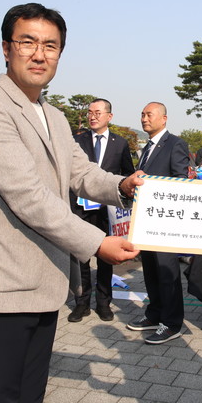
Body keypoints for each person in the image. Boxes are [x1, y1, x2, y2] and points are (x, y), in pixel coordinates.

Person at [0, 3, 142, 403]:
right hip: (2, 285)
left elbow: (81, 173)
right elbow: (29, 196)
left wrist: (124, 185)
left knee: (30, 392)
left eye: (50, 46)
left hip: (44, 280)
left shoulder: (53, 116)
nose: (39, 54)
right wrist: (97, 243)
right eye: (28, 42)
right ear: (6, 48)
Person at [126, 102, 190, 344]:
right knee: (151, 271)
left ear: (164, 118)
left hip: (165, 221)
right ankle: (154, 314)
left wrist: (151, 182)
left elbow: (181, 181)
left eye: (149, 115)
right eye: (142, 114)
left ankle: (172, 323)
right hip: (146, 220)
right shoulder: (147, 147)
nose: (144, 118)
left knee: (166, 272)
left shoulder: (175, 144)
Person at [68, 98, 135, 323]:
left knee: (106, 256)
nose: (92, 116)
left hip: (107, 210)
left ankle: (104, 303)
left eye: (97, 112)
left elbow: (126, 174)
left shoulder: (120, 143)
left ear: (109, 116)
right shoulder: (77, 140)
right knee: (81, 256)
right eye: (89, 112)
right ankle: (82, 302)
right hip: (80, 208)